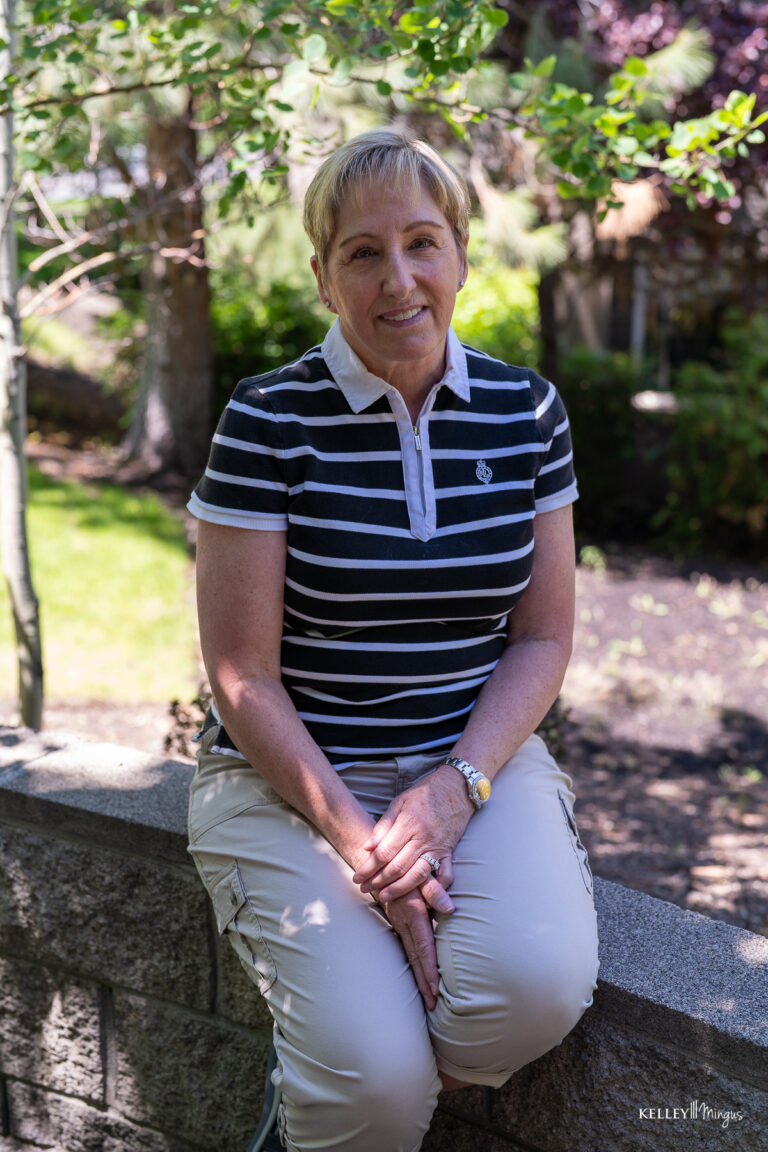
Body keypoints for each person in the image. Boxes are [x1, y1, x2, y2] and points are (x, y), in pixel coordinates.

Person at [186, 128, 599, 1152]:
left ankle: (331, 1083)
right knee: (374, 1085)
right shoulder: (266, 420)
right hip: (289, 781)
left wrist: (452, 793)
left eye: (423, 242)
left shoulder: (526, 411)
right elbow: (242, 676)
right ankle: (346, 1092)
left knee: (535, 991)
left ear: (460, 252)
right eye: (363, 253)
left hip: (472, 763)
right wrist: (370, 850)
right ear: (325, 275)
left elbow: (543, 639)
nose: (399, 279)